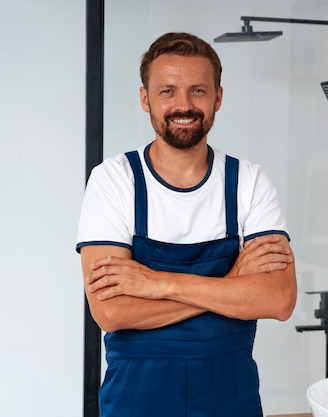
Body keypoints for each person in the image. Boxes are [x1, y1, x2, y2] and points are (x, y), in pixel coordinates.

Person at [76, 32, 297, 417]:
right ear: (146, 99)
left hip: (231, 397)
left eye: (197, 90)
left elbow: (278, 300)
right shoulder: (114, 180)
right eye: (167, 91)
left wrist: (157, 283)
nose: (184, 104)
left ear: (218, 98)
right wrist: (232, 285)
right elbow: (111, 312)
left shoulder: (248, 182)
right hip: (135, 399)